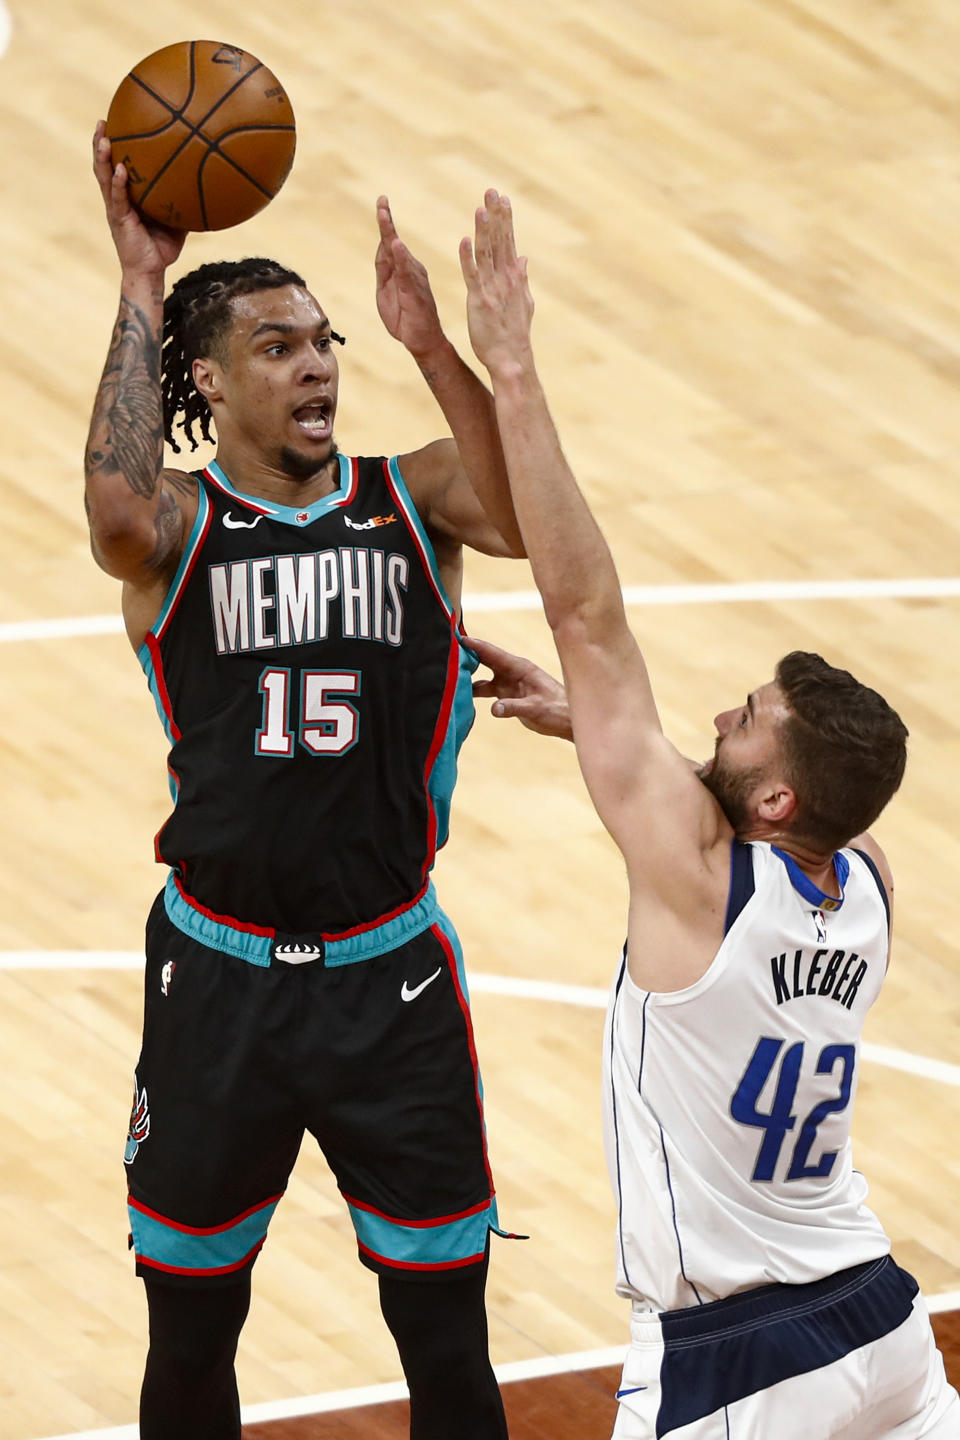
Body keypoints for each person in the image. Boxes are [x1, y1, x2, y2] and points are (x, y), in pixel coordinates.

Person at [458, 192, 960, 1438]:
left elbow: (588, 619)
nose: (719, 722)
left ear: (779, 796)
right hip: (885, 1331)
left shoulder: (704, 878)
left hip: (738, 1360)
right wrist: (621, 745)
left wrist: (511, 369)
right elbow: (738, 808)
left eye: (741, 720)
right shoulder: (869, 882)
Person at [84, 122, 525, 1440]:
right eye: (278, 348)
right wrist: (139, 287)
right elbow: (110, 512)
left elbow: (523, 511)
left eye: (323, 340)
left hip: (389, 979)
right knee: (191, 1330)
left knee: (447, 1336)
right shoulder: (177, 532)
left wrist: (434, 349)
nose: (318, 363)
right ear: (208, 388)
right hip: (218, 982)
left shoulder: (417, 503)